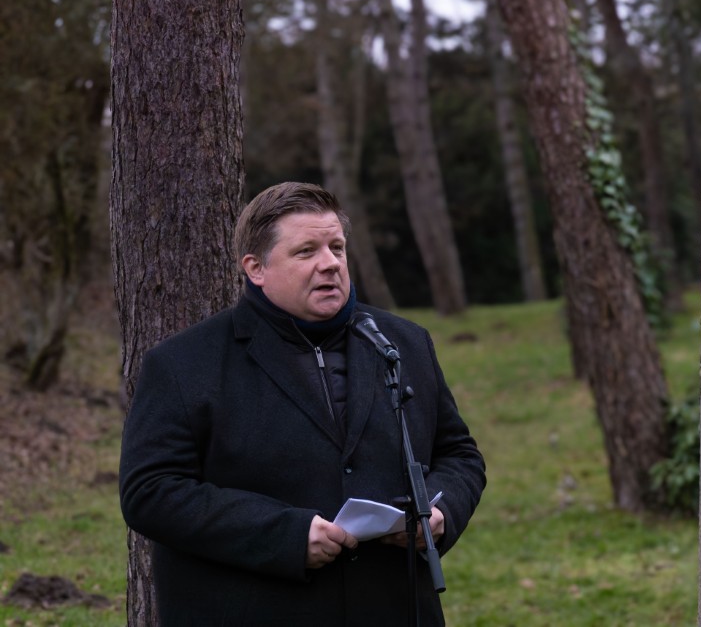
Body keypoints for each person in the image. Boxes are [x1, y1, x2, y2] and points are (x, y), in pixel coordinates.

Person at [119, 182, 486, 625]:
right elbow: (150, 492)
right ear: (256, 268)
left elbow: (459, 454)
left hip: (393, 606)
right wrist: (283, 536)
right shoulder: (183, 364)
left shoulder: (404, 342)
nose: (330, 264)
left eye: (336, 247)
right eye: (306, 251)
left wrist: (440, 511)